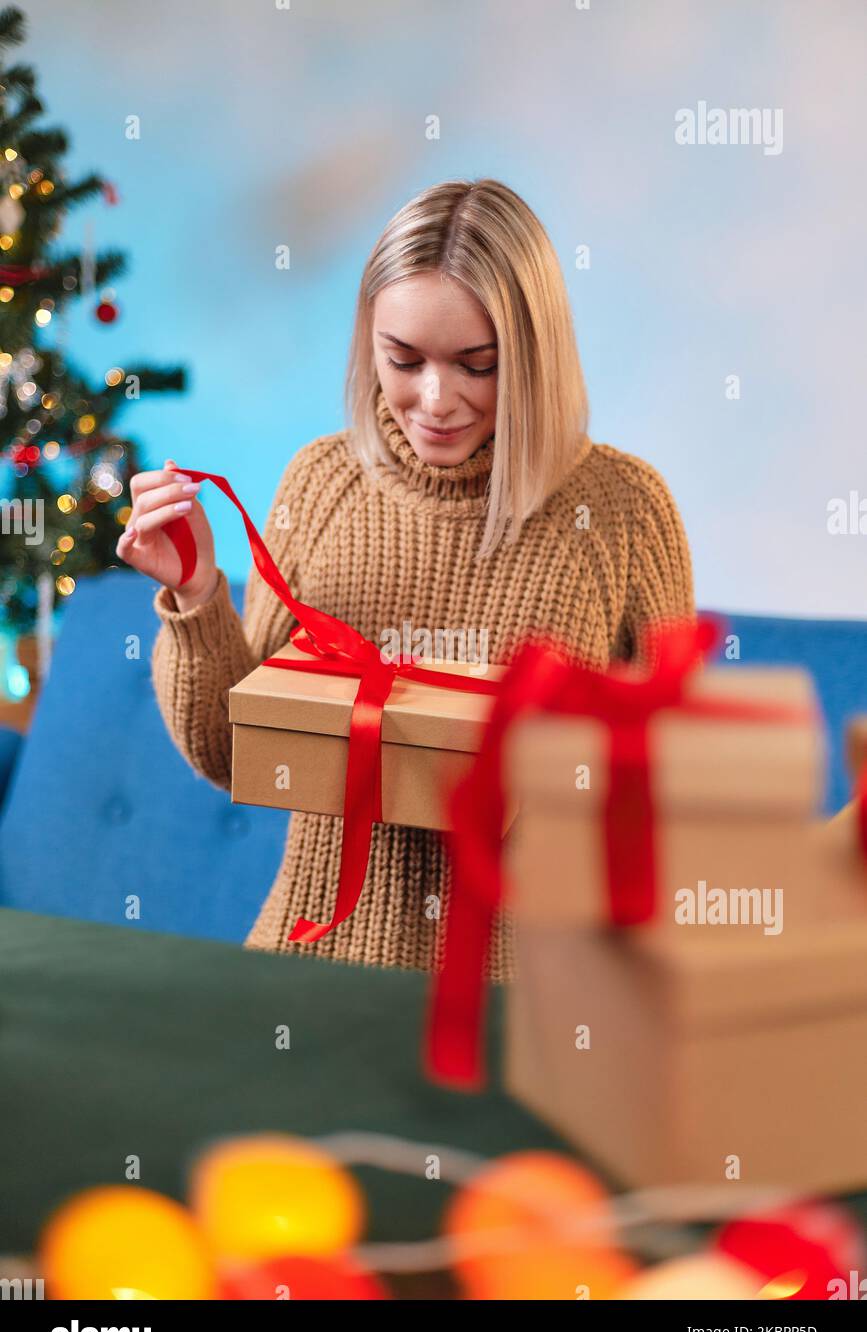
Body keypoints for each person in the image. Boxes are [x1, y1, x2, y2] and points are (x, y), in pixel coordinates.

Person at [117, 177, 695, 982]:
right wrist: (196, 594)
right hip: (308, 970)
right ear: (369, 345)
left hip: (527, 1001)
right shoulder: (321, 482)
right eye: (404, 359)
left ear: (533, 355)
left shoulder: (624, 512)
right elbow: (232, 750)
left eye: (476, 365)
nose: (435, 399)